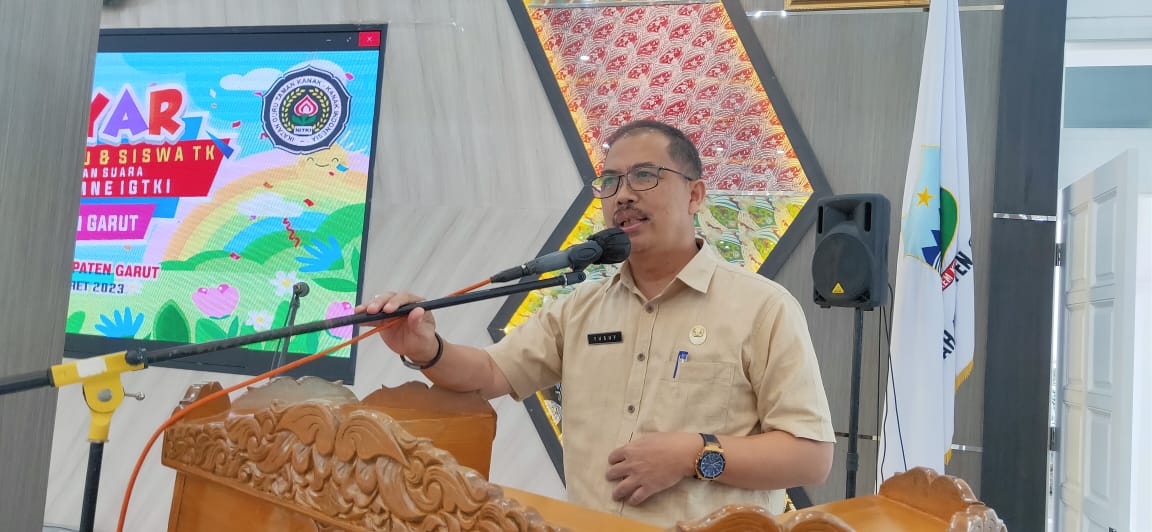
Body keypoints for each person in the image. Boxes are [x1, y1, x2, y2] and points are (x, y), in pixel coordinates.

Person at [358, 120, 835, 527]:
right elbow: (489, 374)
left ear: (695, 194)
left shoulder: (762, 307)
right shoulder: (580, 308)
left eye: (644, 175)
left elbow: (810, 457)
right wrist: (426, 348)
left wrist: (693, 454)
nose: (623, 194)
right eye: (610, 182)